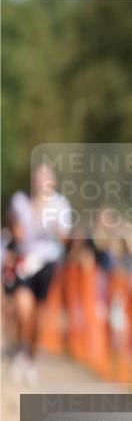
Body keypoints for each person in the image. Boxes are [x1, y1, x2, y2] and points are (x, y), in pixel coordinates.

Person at [3, 162, 73, 385]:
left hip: (47, 262)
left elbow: (65, 239)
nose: (41, 181)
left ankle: (29, 358)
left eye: (46, 177)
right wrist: (17, 231)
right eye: (38, 177)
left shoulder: (61, 205)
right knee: (23, 308)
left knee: (38, 316)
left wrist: (54, 226)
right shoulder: (20, 201)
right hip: (25, 261)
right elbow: (13, 225)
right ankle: (20, 348)